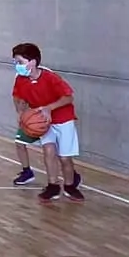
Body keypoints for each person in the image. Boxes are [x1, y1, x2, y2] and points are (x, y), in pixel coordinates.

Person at [10, 43, 84, 201]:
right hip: (43, 121)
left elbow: (68, 97)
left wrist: (49, 108)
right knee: (48, 152)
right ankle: (53, 186)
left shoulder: (50, 77)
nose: (17, 66)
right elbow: (18, 97)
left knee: (64, 158)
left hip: (63, 119)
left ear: (33, 62)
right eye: (15, 62)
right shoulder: (21, 80)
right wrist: (21, 112)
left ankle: (70, 186)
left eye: (20, 62)